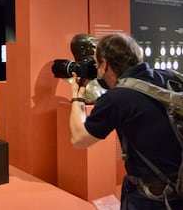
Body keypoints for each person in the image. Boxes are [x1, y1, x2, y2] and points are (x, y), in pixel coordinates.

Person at [69, 32, 183, 209]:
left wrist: (77, 96)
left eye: (97, 64)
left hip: (152, 200)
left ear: (105, 63)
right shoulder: (171, 78)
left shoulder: (117, 98)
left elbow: (79, 139)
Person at [69, 33, 105, 103]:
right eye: (94, 47)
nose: (97, 52)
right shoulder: (71, 77)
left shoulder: (101, 77)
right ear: (83, 50)